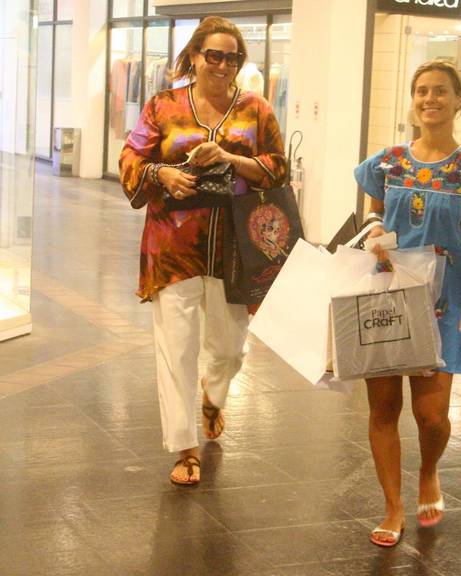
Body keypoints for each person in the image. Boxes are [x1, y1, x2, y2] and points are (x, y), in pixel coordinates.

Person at [119, 16, 286, 485]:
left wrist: (233, 159)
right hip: (173, 245)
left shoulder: (256, 109)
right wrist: (160, 174)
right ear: (195, 55)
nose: (222, 65)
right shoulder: (164, 105)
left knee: (230, 349)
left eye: (232, 57)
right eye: (213, 55)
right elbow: (131, 157)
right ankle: (185, 448)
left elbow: (277, 166)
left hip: (237, 248)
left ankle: (213, 395)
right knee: (176, 348)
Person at [354, 60, 461, 547]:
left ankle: (428, 471)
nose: (430, 99)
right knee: (383, 408)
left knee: (432, 417)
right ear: (413, 99)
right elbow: (372, 215)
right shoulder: (388, 162)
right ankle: (392, 506)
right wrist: (376, 228)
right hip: (385, 296)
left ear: (459, 101)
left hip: (444, 303)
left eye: (440, 92)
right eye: (422, 91)